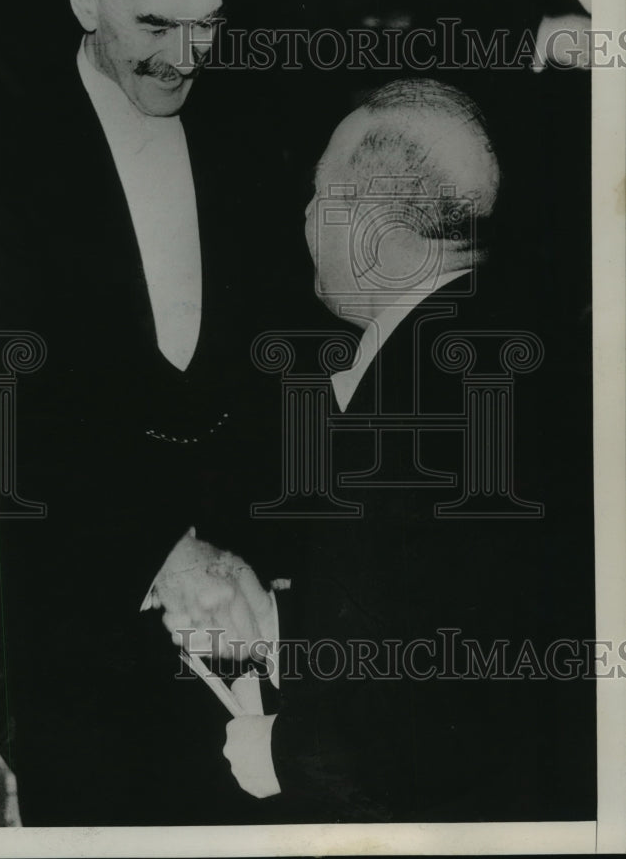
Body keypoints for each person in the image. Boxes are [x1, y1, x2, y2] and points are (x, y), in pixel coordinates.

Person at [0, 0, 296, 826]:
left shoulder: (252, 135)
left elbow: (278, 360)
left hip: (242, 598)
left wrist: (251, 549)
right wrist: (165, 548)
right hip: (77, 600)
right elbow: (14, 407)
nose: (186, 56)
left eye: (207, 24)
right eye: (154, 24)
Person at [221, 79, 596, 820]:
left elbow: (453, 719)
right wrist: (285, 626)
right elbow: (461, 612)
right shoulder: (520, 348)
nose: (303, 216)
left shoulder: (410, 401)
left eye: (321, 194)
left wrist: (280, 751)